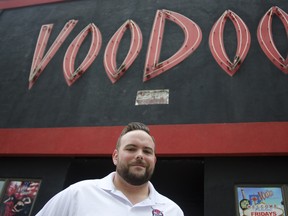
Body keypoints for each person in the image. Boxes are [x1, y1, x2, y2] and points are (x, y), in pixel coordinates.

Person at [35, 122, 184, 216]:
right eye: (131, 149)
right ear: (115, 157)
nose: (140, 155)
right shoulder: (78, 194)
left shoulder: (172, 211)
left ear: (154, 160)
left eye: (147, 151)